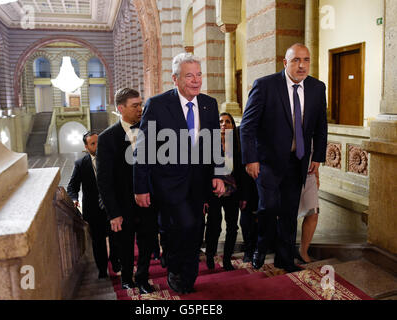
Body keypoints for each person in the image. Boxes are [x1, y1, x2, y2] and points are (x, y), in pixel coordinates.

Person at [134, 52, 225, 294]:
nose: (196, 80)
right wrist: (140, 187)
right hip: (168, 183)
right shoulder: (157, 105)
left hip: (199, 183)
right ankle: (176, 269)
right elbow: (143, 149)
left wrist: (219, 174)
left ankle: (188, 274)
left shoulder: (209, 104)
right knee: (181, 226)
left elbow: (215, 143)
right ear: (175, 79)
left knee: (195, 228)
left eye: (198, 75)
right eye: (189, 76)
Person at [240, 43, 328, 273]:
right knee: (268, 207)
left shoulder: (317, 88)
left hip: (298, 161)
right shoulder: (265, 85)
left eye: (306, 60)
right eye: (296, 60)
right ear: (285, 63)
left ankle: (284, 259)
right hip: (267, 162)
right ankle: (261, 247)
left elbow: (321, 126)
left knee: (289, 213)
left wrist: (317, 156)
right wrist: (250, 159)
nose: (302, 65)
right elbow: (247, 126)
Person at [96, 88, 158, 294]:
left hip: (148, 199)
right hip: (122, 204)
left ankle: (142, 277)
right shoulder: (106, 138)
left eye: (141, 104)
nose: (140, 109)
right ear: (121, 108)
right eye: (135, 106)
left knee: (148, 240)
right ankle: (126, 277)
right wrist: (113, 213)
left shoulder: (152, 131)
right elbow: (104, 180)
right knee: (124, 244)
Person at [204, 112, 255, 271]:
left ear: (233, 126)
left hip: (233, 192)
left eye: (228, 122)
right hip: (214, 193)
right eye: (220, 122)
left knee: (232, 227)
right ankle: (210, 256)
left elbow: (243, 174)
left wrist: (244, 196)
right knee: (214, 225)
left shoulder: (238, 144)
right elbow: (204, 172)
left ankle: (227, 260)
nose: (224, 125)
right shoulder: (209, 144)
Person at [67, 131, 120, 279]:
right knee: (98, 242)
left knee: (116, 237)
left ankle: (115, 261)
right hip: (93, 210)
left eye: (98, 142)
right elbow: (72, 187)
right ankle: (102, 269)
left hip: (112, 208)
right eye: (92, 143)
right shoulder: (81, 164)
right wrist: (73, 199)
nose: (97, 146)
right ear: (86, 147)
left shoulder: (112, 159)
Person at [297, 157, 320, 264]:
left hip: (309, 172)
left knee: (313, 213)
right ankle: (282, 251)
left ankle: (303, 251)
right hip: (286, 170)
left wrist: (317, 174)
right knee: (285, 215)